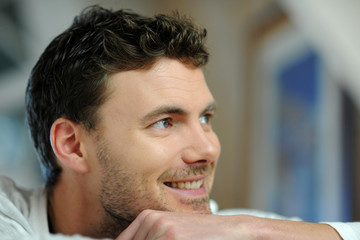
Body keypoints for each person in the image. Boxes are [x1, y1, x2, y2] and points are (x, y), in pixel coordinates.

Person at [0, 5, 358, 240]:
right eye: (165, 123)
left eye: (205, 118)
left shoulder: (224, 231)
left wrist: (247, 228)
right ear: (73, 145)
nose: (208, 147)